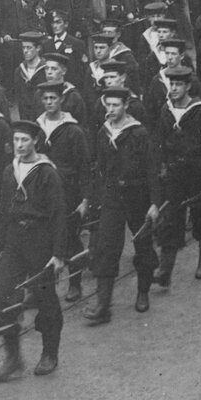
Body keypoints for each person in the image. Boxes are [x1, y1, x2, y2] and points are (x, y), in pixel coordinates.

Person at [0, 121, 67, 380]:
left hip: (40, 240)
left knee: (45, 298)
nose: (20, 146)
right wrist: (0, 244)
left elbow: (58, 215)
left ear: (35, 141)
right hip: (14, 241)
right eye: (16, 140)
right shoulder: (8, 172)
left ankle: (49, 352)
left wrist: (58, 253)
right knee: (2, 295)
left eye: (25, 140)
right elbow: (3, 211)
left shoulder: (46, 173)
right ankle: (13, 356)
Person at [84, 88, 163, 324]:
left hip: (137, 195)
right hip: (112, 196)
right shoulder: (103, 132)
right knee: (107, 247)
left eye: (115, 105)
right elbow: (100, 168)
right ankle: (103, 305)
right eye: (107, 105)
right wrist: (98, 198)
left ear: (126, 105)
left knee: (143, 244)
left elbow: (152, 169)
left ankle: (142, 292)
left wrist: (155, 203)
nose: (110, 110)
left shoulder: (139, 133)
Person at [152, 68, 201, 286]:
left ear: (188, 87)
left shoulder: (200, 112)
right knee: (171, 220)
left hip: (197, 174)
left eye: (178, 85)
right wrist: (161, 166)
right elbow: (159, 142)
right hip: (174, 174)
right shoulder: (166, 111)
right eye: (171, 84)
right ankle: (165, 270)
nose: (173, 89)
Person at [32, 84, 92, 302]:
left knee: (69, 237)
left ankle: (75, 283)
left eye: (53, 98)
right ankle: (44, 288)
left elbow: (84, 166)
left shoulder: (72, 130)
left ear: (61, 101)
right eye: (45, 98)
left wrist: (85, 199)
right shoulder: (37, 128)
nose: (49, 102)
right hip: (44, 190)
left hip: (69, 190)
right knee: (44, 238)